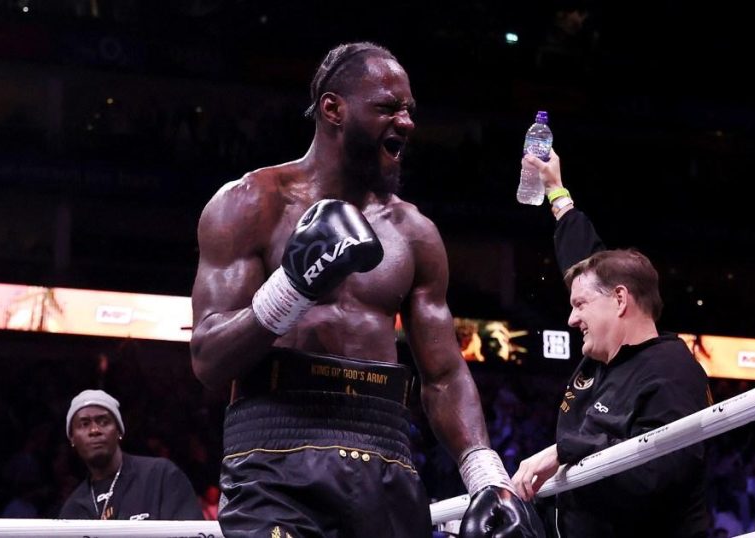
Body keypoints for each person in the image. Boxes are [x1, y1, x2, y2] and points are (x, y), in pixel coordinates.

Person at [190, 42, 542, 537]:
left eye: (409, 109)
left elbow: (443, 374)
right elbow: (208, 360)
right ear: (333, 108)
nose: (406, 122)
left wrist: (486, 478)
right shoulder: (250, 204)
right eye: (388, 107)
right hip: (274, 455)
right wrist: (291, 286)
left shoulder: (414, 232)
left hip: (385, 456)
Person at [510, 149, 712, 537]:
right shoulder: (604, 355)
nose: (571, 319)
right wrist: (556, 192)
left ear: (620, 301)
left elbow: (655, 474)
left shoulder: (672, 372)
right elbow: (588, 268)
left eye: (579, 305)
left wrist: (566, 452)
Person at [60, 389, 203, 521]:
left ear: (119, 431)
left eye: (103, 422)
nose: (94, 430)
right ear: (72, 438)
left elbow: (191, 532)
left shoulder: (160, 476)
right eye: (84, 424)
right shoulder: (72, 510)